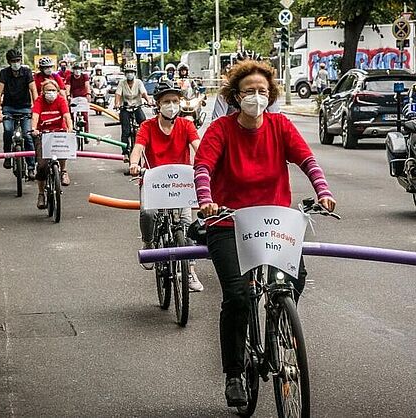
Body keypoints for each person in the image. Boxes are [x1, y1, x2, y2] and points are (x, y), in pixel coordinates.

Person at [193, 60, 336, 407]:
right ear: (235, 97)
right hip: (229, 223)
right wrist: (206, 201)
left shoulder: (280, 125)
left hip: (274, 222)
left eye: (262, 92)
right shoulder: (221, 130)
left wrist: (323, 191)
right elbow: (203, 167)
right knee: (239, 296)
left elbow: (307, 160)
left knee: (295, 279)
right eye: (249, 92)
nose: (256, 98)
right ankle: (234, 374)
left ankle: (278, 319)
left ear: (270, 95)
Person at [128, 81, 204, 292]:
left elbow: (199, 148)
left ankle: (189, 270)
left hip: (181, 183)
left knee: (187, 225)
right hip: (154, 181)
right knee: (148, 213)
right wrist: (134, 164)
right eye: (167, 101)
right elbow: (138, 148)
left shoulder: (187, 125)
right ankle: (149, 243)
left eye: (175, 101)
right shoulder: (147, 126)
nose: (171, 105)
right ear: (158, 105)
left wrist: (207, 164)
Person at [0, 49, 38, 178]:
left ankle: (31, 166)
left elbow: (33, 90)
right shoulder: (4, 73)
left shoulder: (27, 72)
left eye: (18, 61)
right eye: (13, 61)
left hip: (25, 108)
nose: (16, 63)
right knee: (8, 131)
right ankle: (7, 156)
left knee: (28, 135)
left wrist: (35, 109)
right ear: (9, 62)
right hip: (9, 107)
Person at [31, 79, 74, 209]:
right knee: (42, 165)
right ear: (43, 92)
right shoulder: (39, 101)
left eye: (53, 90)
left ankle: (63, 171)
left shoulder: (61, 100)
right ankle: (41, 194)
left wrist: (70, 128)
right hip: (43, 134)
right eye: (48, 91)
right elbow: (35, 117)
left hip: (59, 132)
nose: (51, 93)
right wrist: (34, 129)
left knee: (63, 149)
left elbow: (67, 116)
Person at [212, 50, 280, 120]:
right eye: (249, 91)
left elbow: (275, 116)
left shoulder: (269, 91)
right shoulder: (225, 91)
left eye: (261, 91)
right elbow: (217, 119)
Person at [114, 63, 153, 161]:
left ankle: (148, 147)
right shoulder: (122, 83)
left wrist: (148, 101)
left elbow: (143, 93)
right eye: (127, 72)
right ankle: (125, 152)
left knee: (144, 124)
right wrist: (117, 104)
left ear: (134, 73)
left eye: (131, 72)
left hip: (137, 107)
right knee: (125, 131)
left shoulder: (139, 82)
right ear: (125, 74)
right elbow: (118, 94)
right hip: (125, 108)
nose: (129, 74)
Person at [66, 63, 91, 132]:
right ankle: (72, 129)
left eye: (79, 69)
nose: (77, 71)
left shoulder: (85, 76)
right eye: (75, 69)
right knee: (71, 114)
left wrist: (88, 93)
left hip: (83, 98)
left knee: (85, 115)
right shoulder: (69, 77)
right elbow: (67, 87)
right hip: (73, 98)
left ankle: (86, 133)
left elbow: (87, 85)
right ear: (73, 70)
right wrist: (68, 96)